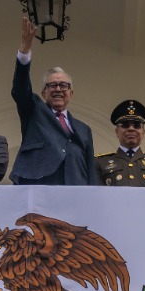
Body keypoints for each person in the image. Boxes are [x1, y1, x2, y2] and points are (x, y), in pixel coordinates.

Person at [10, 14, 94, 185]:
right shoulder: (34, 111)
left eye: (63, 85)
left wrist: (93, 198)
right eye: (52, 85)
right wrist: (24, 54)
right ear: (43, 93)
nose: (57, 89)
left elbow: (90, 169)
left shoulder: (84, 129)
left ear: (71, 93)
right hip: (41, 188)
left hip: (76, 192)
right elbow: (20, 90)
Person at [95, 99, 145, 186]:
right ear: (117, 132)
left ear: (143, 132)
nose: (131, 129)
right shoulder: (101, 163)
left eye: (136, 125)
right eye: (125, 125)